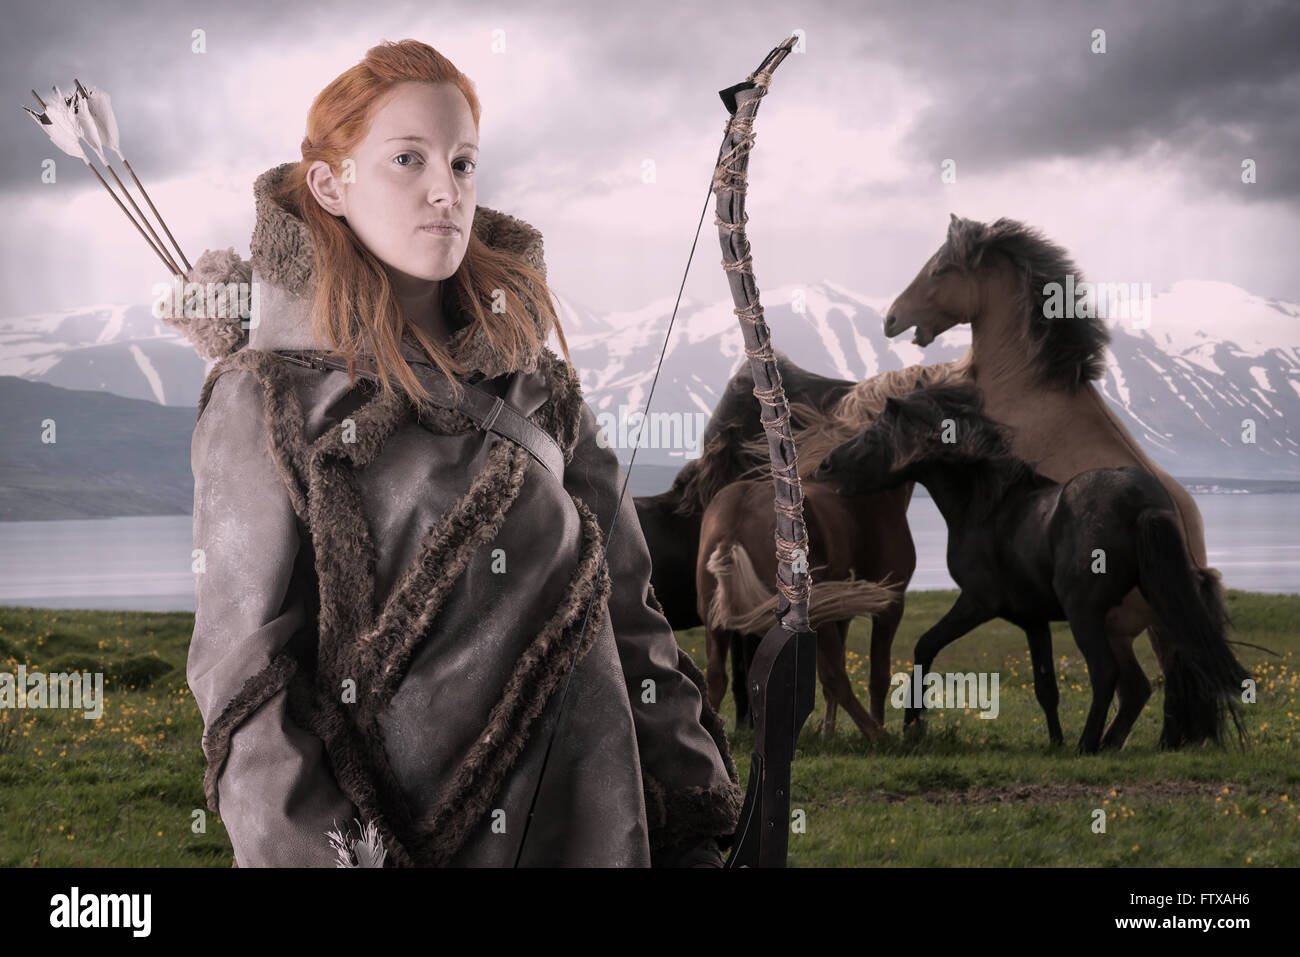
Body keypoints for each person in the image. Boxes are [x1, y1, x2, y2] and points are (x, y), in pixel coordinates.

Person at [183, 38, 741, 867]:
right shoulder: (263, 399)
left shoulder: (540, 390)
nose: (445, 190)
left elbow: (631, 620)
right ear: (330, 185)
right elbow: (246, 694)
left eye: (464, 162)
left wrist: (706, 822)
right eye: (407, 159)